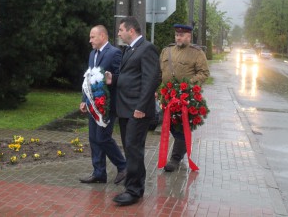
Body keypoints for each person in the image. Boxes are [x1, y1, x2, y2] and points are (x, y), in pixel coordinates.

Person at [106, 16, 161, 206]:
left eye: (121, 30)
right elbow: (131, 75)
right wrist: (114, 79)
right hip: (125, 108)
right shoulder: (130, 49)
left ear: (131, 31)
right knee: (130, 148)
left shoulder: (147, 49)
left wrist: (141, 107)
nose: (119, 33)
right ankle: (134, 185)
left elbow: (151, 80)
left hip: (137, 110)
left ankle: (134, 191)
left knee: (134, 148)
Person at [79, 25, 127, 185]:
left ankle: (123, 166)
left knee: (103, 138)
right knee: (93, 138)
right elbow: (88, 78)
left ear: (102, 36)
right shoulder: (92, 54)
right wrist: (84, 100)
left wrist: (111, 77)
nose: (90, 40)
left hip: (107, 105)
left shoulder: (115, 53)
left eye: (93, 37)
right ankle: (99, 173)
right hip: (93, 105)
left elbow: (121, 76)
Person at [159, 24, 210, 172]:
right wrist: (157, 90)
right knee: (168, 125)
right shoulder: (166, 51)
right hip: (167, 97)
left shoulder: (196, 53)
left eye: (181, 35)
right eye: (176, 35)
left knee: (181, 128)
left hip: (184, 98)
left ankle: (175, 158)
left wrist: (187, 86)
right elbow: (159, 72)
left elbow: (204, 73)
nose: (178, 37)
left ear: (189, 36)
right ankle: (180, 151)